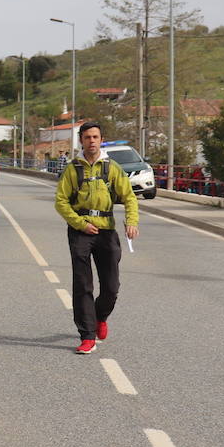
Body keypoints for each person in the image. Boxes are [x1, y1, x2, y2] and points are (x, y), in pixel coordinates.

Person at [54, 121, 139, 354]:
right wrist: (81, 224)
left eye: (95, 137)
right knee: (83, 284)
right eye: (87, 137)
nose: (91, 141)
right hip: (81, 231)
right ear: (81, 140)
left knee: (111, 286)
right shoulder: (73, 169)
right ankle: (87, 335)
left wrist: (131, 221)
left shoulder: (111, 168)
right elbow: (61, 202)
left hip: (107, 231)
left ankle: (101, 316)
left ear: (101, 140)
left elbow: (129, 197)